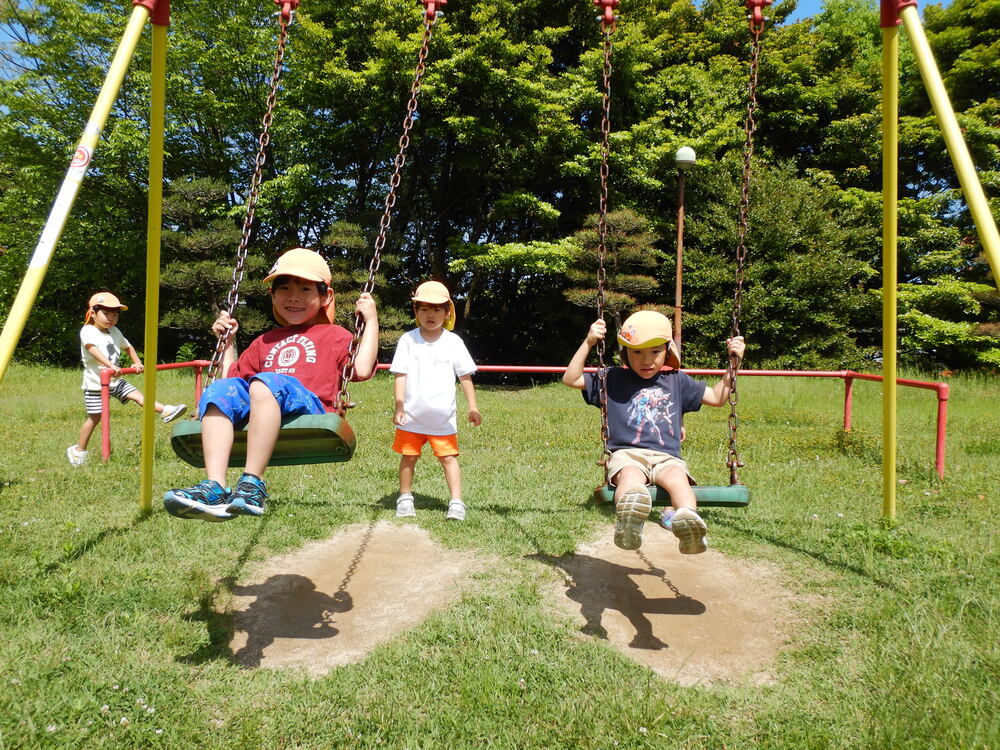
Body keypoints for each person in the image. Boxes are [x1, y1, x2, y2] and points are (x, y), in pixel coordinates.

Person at [163, 247, 379, 521]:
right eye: (284, 288)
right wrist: (228, 342)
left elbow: (360, 368)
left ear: (325, 296)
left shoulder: (334, 335)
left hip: (309, 406)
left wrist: (370, 321)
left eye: (305, 290)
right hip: (265, 397)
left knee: (265, 382)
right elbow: (232, 382)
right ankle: (215, 487)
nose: (293, 297)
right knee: (218, 390)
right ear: (273, 296)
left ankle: (253, 483)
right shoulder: (264, 341)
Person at [562, 309, 745, 553]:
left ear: (667, 352)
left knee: (679, 482)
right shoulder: (613, 378)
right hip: (628, 454)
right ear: (625, 353)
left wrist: (735, 362)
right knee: (630, 479)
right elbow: (570, 378)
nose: (646, 360)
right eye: (637, 352)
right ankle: (629, 522)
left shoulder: (676, 380)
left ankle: (688, 523)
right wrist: (589, 342)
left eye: (655, 352)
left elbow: (717, 397)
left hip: (666, 457)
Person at [390, 280, 481, 521]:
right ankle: (405, 497)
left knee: (448, 458)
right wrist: (399, 405)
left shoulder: (453, 343)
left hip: (443, 419)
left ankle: (456, 502)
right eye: (424, 309)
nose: (430, 314)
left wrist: (473, 406)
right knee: (408, 456)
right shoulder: (408, 340)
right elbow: (401, 374)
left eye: (437, 309)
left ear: (447, 312)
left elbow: (465, 376)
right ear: (416, 312)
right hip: (411, 417)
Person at [67, 292, 186, 466]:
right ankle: (79, 450)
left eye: (115, 315)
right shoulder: (88, 331)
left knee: (137, 395)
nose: (111, 318)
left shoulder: (115, 331)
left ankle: (165, 410)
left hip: (115, 380)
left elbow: (128, 346)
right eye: (106, 314)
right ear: (93, 313)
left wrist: (137, 362)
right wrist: (109, 365)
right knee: (95, 417)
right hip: (96, 384)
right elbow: (92, 349)